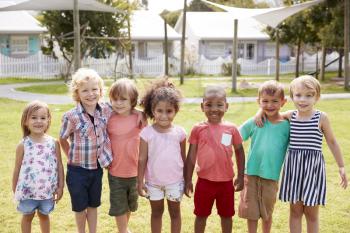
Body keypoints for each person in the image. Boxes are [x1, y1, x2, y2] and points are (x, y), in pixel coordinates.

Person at [256, 75, 348, 233]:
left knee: (311, 214)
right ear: (292, 97)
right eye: (298, 95)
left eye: (308, 95)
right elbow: (271, 112)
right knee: (296, 211)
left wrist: (341, 166)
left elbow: (332, 142)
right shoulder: (290, 116)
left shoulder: (321, 118)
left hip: (312, 170)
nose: (303, 100)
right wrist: (259, 112)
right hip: (294, 170)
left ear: (316, 97)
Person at [184, 85, 245, 233]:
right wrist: (187, 180)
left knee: (226, 216)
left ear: (226, 106)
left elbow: (240, 152)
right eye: (209, 105)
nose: (214, 109)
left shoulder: (231, 129)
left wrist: (241, 176)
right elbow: (191, 156)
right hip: (204, 183)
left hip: (226, 183)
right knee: (200, 215)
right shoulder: (197, 129)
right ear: (202, 107)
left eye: (219, 104)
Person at [59, 68, 113, 233]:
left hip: (96, 169)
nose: (90, 94)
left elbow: (125, 107)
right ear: (77, 93)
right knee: (80, 207)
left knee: (93, 204)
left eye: (94, 89)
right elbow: (62, 138)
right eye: (85, 90)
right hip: (77, 171)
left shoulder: (106, 110)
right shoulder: (71, 116)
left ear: (100, 91)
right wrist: (70, 156)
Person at [238, 80, 290, 233]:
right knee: (251, 212)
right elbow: (236, 135)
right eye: (265, 101)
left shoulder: (287, 125)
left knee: (267, 212)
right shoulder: (256, 122)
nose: (270, 105)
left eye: (275, 101)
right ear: (258, 102)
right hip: (251, 173)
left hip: (271, 176)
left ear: (283, 102)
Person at [137, 78, 186, 233]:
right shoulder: (146, 133)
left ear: (176, 111)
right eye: (159, 111)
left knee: (175, 213)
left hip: (175, 182)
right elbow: (142, 158)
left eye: (169, 111)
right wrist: (140, 181)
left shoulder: (180, 133)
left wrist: (188, 180)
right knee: (156, 213)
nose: (164, 115)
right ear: (152, 110)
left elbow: (183, 159)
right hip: (153, 183)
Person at [12, 100, 64, 233]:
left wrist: (60, 186)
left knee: (44, 215)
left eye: (43, 118)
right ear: (26, 121)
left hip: (47, 192)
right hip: (27, 191)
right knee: (27, 216)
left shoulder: (53, 143)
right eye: (34, 117)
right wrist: (15, 188)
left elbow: (59, 165)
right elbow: (17, 168)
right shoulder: (23, 144)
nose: (38, 121)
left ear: (48, 120)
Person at [107, 78, 147, 233]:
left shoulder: (140, 118)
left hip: (135, 172)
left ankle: (123, 229)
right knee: (119, 205)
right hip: (115, 171)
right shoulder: (109, 118)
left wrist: (138, 111)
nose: (118, 103)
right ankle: (123, 230)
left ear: (133, 100)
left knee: (130, 204)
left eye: (123, 99)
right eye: (114, 99)